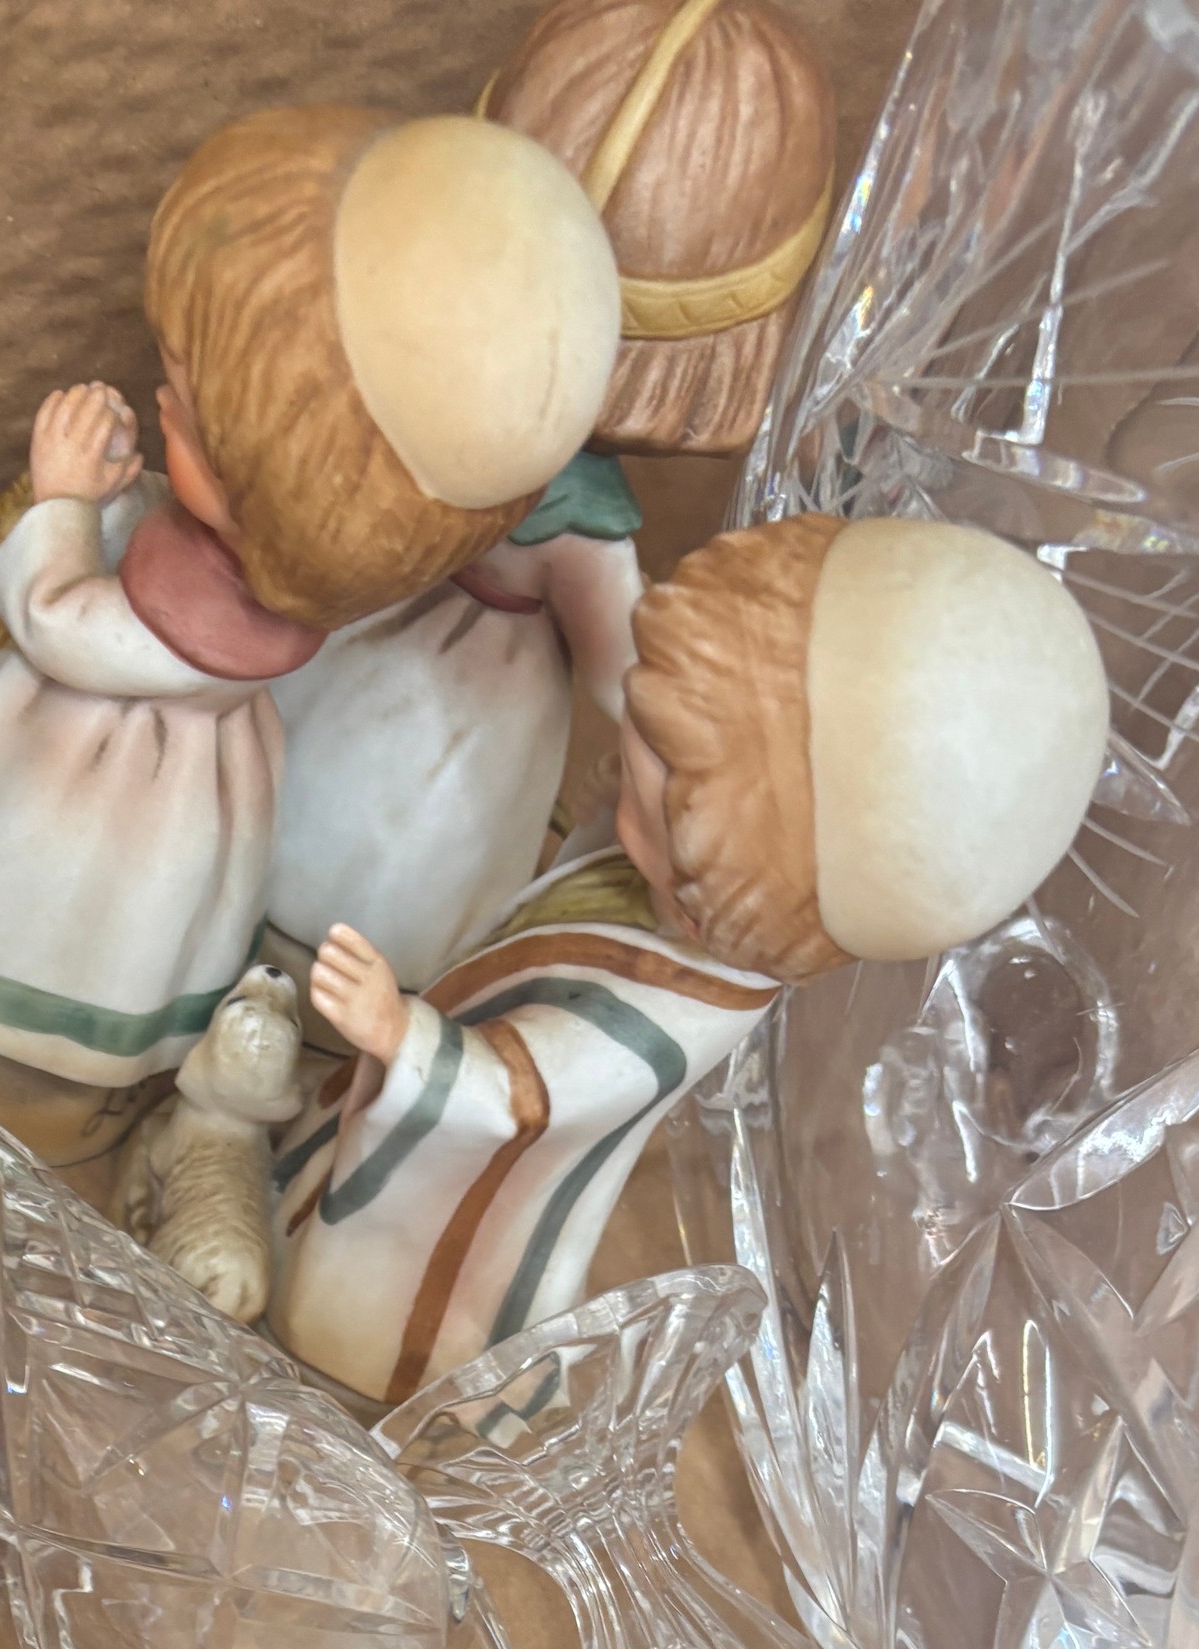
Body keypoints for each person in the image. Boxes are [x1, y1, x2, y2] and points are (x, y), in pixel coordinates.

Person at [0, 105, 619, 1127]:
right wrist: (124, 498)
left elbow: (65, 623)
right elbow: (149, 542)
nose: (160, 403)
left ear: (274, 502)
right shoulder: (250, 568)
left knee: (26, 900)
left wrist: (61, 500)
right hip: (180, 785)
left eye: (189, 424)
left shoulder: (216, 621)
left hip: (92, 783)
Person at [270, 507, 1111, 1400]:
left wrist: (401, 1036)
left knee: (382, 1311)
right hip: (453, 1041)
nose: (623, 797)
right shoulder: (677, 900)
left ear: (726, 885)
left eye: (648, 804)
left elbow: (532, 1095)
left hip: (449, 1225)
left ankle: (365, 1367)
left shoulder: (676, 1010)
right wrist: (617, 809)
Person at [257, 0, 837, 1021]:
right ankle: (324, 1019)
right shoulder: (579, 521)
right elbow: (628, 677)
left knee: (283, 792)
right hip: (458, 727)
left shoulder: (426, 390)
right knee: (389, 876)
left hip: (353, 647)